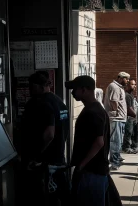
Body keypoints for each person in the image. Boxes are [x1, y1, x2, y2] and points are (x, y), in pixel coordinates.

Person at [20, 71, 69, 206]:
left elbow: (49, 134)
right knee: (61, 196)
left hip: (44, 164)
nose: (29, 90)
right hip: (58, 160)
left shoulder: (41, 103)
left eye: (31, 86)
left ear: (39, 86)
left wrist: (35, 156)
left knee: (44, 199)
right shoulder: (60, 102)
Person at [65, 75, 111, 206]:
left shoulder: (93, 112)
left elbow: (99, 142)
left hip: (92, 173)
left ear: (84, 90)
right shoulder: (95, 109)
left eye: (74, 89)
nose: (72, 93)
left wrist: (81, 165)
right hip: (96, 172)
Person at [104, 72, 129, 170]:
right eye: (126, 79)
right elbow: (114, 101)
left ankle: (117, 157)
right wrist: (117, 112)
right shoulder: (114, 86)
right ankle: (114, 162)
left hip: (120, 118)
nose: (127, 81)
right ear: (120, 78)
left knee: (119, 140)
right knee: (115, 141)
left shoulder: (119, 87)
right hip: (116, 118)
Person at [122, 79, 138, 154]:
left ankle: (134, 146)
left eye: (135, 84)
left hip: (134, 118)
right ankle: (126, 147)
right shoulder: (127, 95)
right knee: (129, 132)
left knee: (136, 132)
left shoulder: (131, 95)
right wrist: (136, 116)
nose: (134, 86)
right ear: (128, 85)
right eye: (132, 84)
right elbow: (128, 109)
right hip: (129, 118)